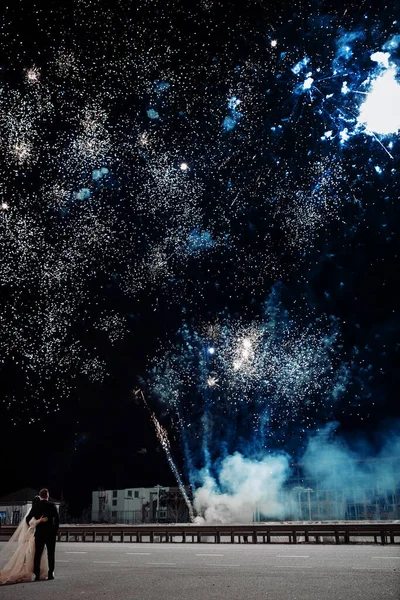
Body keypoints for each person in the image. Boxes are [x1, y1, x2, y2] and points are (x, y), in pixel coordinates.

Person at [0, 496, 48, 585]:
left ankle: (36, 570)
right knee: (32, 553)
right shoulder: (33, 512)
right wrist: (39, 521)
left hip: (33, 535)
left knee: (32, 554)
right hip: (32, 536)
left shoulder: (34, 511)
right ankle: (33, 570)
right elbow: (31, 523)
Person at [25, 488, 59, 581]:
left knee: (38, 554)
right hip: (50, 534)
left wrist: (33, 526)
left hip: (39, 533)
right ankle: (51, 573)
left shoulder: (35, 506)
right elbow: (57, 520)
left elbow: (27, 519)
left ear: (40, 496)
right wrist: (54, 531)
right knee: (51, 553)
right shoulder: (52, 505)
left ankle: (36, 573)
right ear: (47, 495)